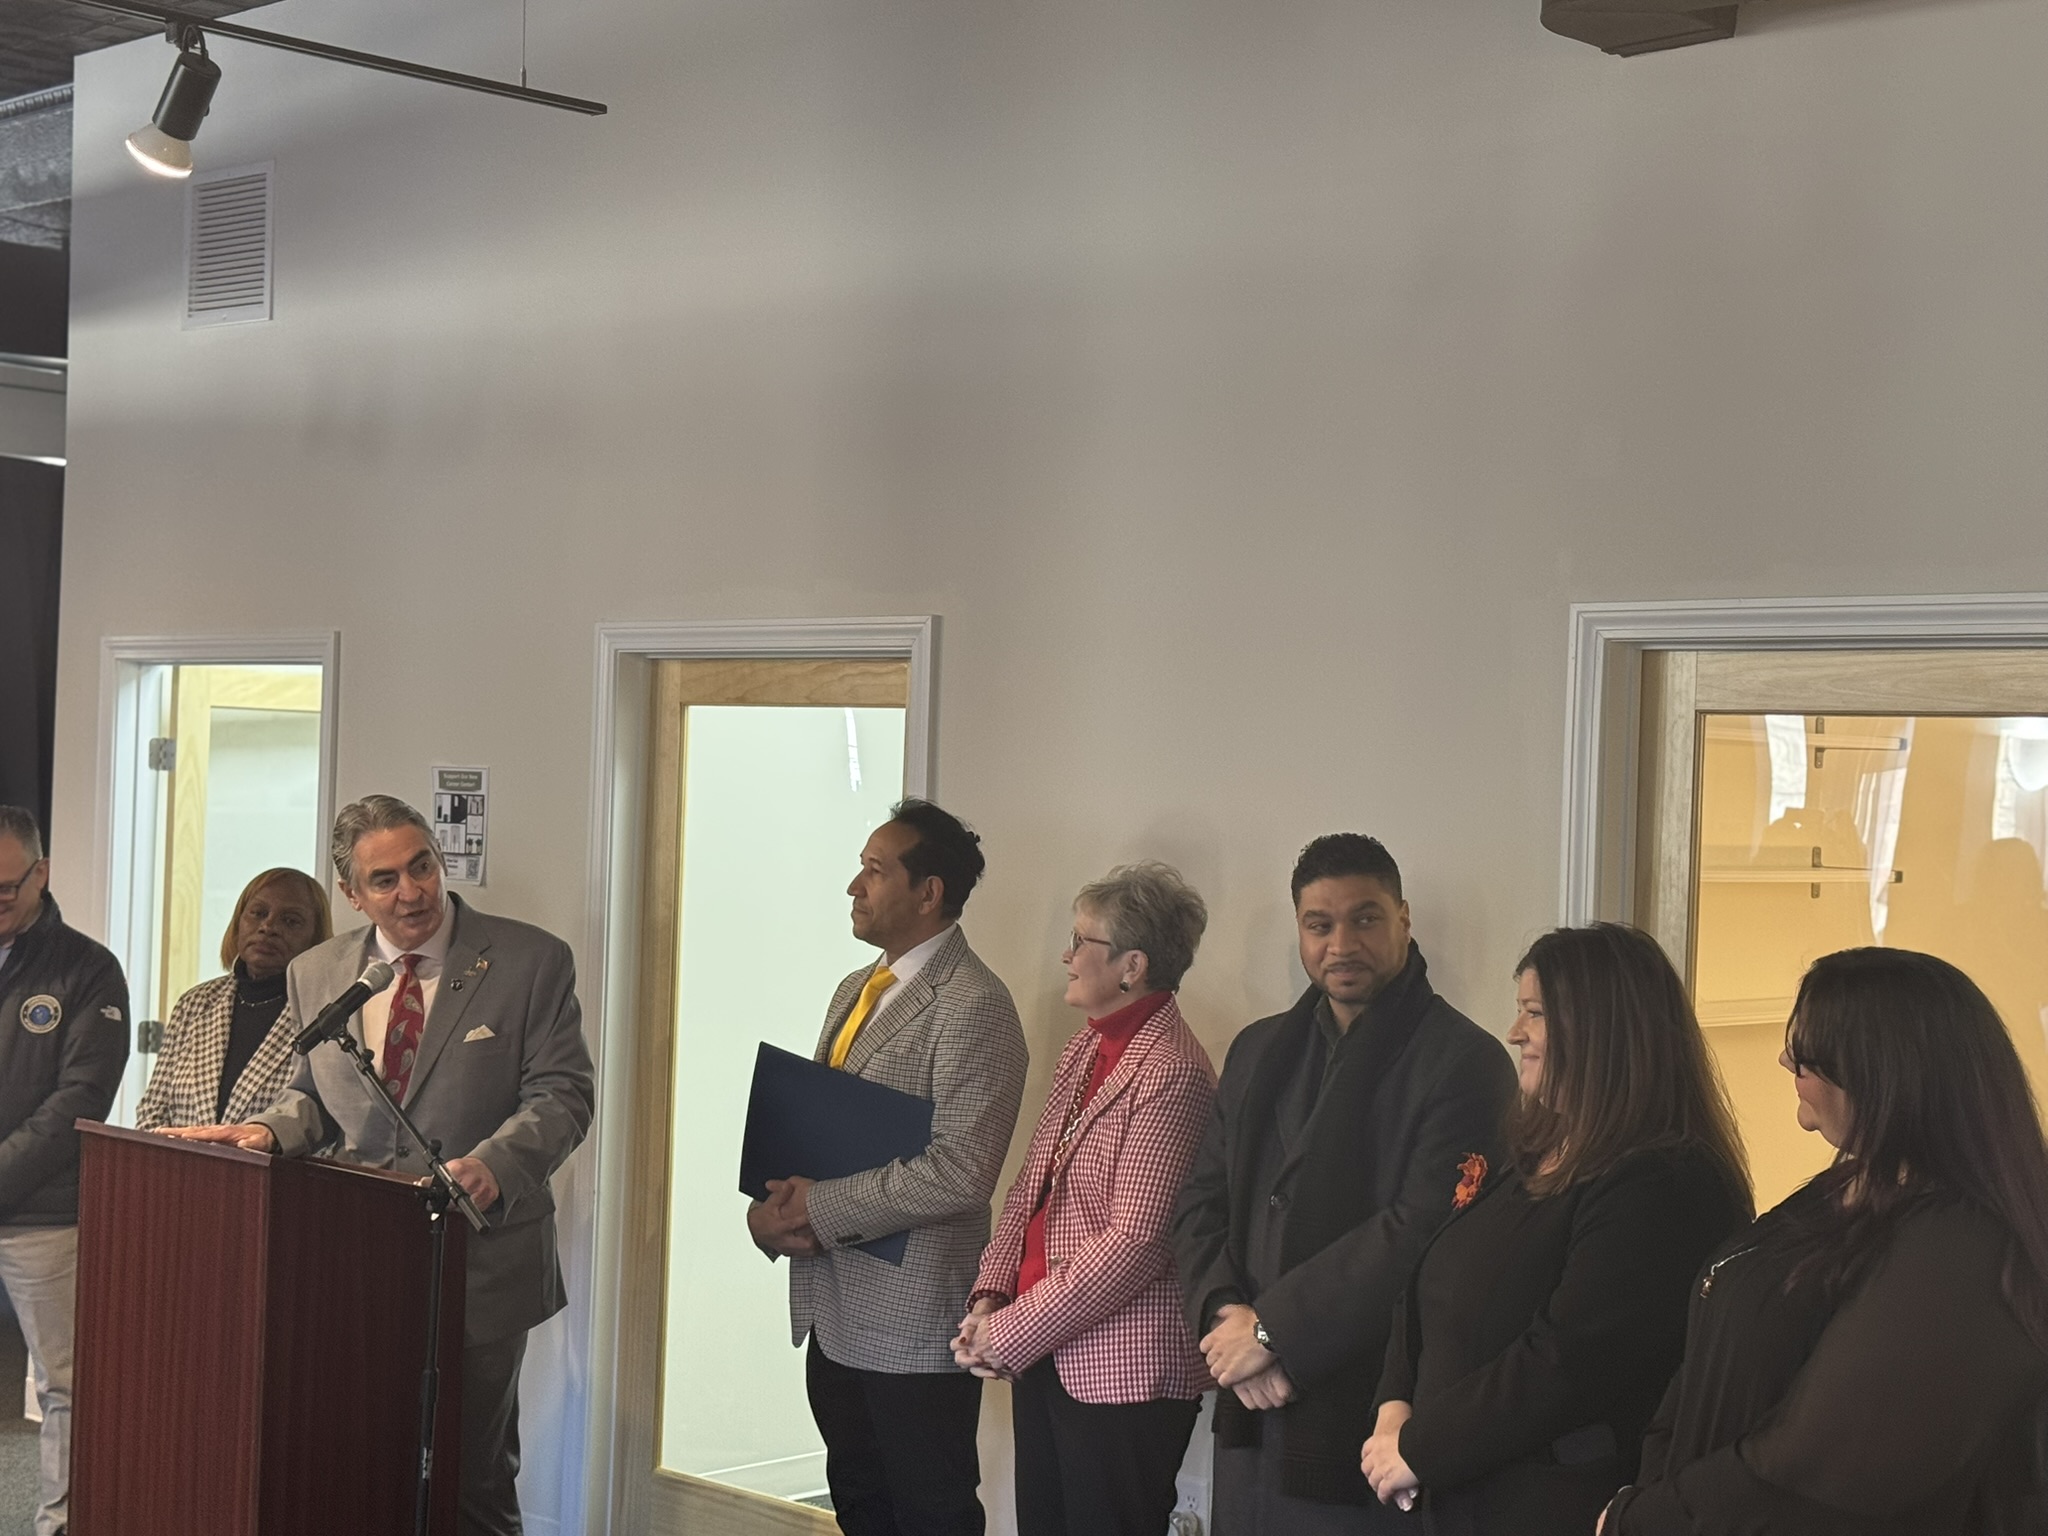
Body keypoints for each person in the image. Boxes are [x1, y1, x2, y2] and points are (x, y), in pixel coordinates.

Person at [172, 795, 594, 1536]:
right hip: (356, 1263)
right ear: (351, 893)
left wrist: (495, 1164)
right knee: (363, 1461)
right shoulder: (318, 971)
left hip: (481, 1260)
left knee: (471, 1474)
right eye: (385, 879)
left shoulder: (531, 960)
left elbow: (562, 1094)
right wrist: (268, 1131)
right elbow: (311, 1095)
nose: (412, 892)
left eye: (421, 866)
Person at [1602, 947, 2048, 1535]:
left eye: (1806, 1054)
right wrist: (1651, 1485)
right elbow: (1717, 1330)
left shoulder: (1964, 1250)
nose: (1785, 1059)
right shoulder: (1849, 1186)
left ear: (1880, 1075)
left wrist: (1646, 1518)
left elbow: (1820, 1465)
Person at [1171, 833, 1517, 1533]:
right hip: (1249, 1407)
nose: (1341, 944)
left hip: (1366, 1414)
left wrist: (1274, 1331)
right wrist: (1228, 1320)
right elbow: (1201, 1203)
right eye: (1319, 924)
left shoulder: (1466, 1062)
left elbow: (1423, 1231)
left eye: (1365, 919)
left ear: (1403, 920)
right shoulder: (1258, 1049)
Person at [1360, 923, 1751, 1533]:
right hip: (1456, 1493)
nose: (1515, 1032)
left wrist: (1421, 1447)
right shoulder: (1539, 1150)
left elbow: (1567, 1363)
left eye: (1535, 1013)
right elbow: (1424, 1288)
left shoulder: (1666, 1183)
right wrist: (1394, 1409)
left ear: (1600, 1028)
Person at [748, 798, 1028, 1536]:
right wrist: (769, 1214)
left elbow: (961, 1170)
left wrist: (818, 1206)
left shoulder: (976, 1004)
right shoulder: (855, 988)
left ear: (928, 892)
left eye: (875, 871)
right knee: (860, 1505)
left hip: (913, 1322)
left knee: (931, 1514)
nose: (855, 886)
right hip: (833, 1306)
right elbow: (817, 1133)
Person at [954, 862, 1218, 1536]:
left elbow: (1136, 1244)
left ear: (1132, 965)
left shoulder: (1174, 1071)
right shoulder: (1086, 1046)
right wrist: (991, 1296)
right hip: (1049, 1345)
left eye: (1081, 941)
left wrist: (1011, 1329)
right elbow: (1030, 1187)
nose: (1067, 957)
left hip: (1122, 1372)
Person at [0, 805, 130, 1536]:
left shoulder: (88, 970)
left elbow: (78, 1102)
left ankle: (63, 1525)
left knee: (65, 1385)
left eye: (5, 889)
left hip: (43, 1214)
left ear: (40, 873)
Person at [135, 866, 332, 1130]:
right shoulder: (195, 1003)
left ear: (315, 939)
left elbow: (324, 1124)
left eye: (290, 921)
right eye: (258, 913)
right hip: (177, 1158)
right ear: (239, 922)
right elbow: (152, 1112)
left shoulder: (324, 1015)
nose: (268, 927)